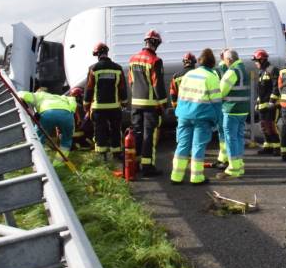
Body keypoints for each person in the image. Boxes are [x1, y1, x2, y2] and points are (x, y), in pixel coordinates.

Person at [171, 48, 221, 185]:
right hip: (202, 116)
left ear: (199, 62)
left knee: (182, 145)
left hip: (184, 115)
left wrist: (179, 114)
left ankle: (176, 176)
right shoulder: (212, 77)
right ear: (212, 64)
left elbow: (179, 96)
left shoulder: (189, 75)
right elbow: (217, 103)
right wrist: (218, 120)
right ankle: (197, 177)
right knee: (198, 147)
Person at [128, 29, 167, 176]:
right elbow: (157, 84)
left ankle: (136, 163)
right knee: (148, 135)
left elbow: (131, 81)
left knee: (137, 133)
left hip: (136, 103)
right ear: (155, 43)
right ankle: (148, 166)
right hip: (150, 105)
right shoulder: (155, 61)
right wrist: (163, 104)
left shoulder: (133, 59)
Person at [84, 42, 127, 159]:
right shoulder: (118, 68)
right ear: (107, 53)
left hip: (98, 107)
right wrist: (124, 102)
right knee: (115, 130)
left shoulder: (93, 69)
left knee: (99, 130)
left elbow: (89, 88)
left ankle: (101, 155)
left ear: (97, 55)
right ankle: (116, 153)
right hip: (114, 106)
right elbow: (122, 87)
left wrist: (86, 105)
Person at [218, 49, 250, 179]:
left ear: (229, 60)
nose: (224, 62)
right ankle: (239, 165)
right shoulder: (243, 69)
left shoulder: (232, 72)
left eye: (224, 60)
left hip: (231, 110)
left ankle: (233, 168)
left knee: (230, 139)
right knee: (239, 137)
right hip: (243, 110)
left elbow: (221, 91)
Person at [18, 87, 76, 152]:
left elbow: (20, 94)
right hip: (66, 114)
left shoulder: (37, 95)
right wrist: (71, 111)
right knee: (67, 139)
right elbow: (72, 100)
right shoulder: (61, 97)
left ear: (39, 92)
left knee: (38, 138)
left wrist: (30, 110)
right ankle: (59, 162)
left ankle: (38, 156)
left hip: (47, 114)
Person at [252, 49, 281, 155]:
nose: (255, 63)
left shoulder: (272, 70)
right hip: (263, 105)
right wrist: (258, 103)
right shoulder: (262, 72)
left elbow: (276, 87)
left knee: (271, 126)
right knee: (263, 126)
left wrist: (272, 101)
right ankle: (268, 146)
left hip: (272, 105)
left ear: (262, 60)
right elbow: (261, 91)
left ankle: (277, 147)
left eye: (256, 61)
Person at [212, 49, 230, 169]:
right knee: (228, 133)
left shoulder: (216, 71)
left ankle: (224, 159)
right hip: (230, 106)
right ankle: (224, 158)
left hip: (219, 105)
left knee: (222, 133)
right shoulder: (232, 70)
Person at [69, 86, 94, 151]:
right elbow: (84, 122)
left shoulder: (70, 105)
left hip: (69, 132)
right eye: (81, 96)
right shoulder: (78, 107)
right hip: (75, 132)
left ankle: (80, 143)